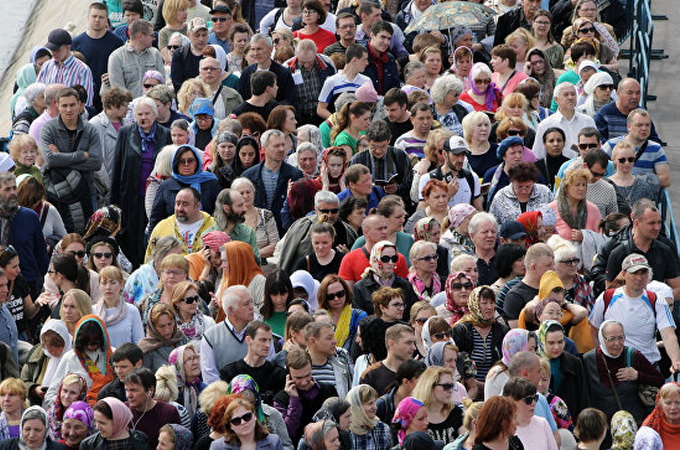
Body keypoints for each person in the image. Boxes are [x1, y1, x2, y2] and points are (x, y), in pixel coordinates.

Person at [591, 253, 680, 372]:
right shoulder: (606, 298)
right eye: (634, 273)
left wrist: (675, 361)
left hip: (647, 366)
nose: (639, 278)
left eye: (643, 273)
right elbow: (593, 331)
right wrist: (602, 361)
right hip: (615, 367)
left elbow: (668, 334)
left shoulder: (657, 300)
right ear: (623, 274)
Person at [40, 87, 102, 234]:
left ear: (80, 105)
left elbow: (96, 163)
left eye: (72, 105)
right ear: (57, 105)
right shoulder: (48, 129)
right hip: (57, 192)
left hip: (86, 189)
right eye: (64, 105)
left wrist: (60, 156)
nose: (69, 109)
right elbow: (50, 160)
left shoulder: (90, 130)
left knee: (89, 234)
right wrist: (81, 155)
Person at [583, 320, 664, 426]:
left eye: (620, 338)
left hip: (634, 423)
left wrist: (637, 375)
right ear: (602, 339)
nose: (617, 343)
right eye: (611, 339)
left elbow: (660, 380)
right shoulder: (588, 360)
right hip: (603, 426)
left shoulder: (633, 355)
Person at [273, 348, 338, 443]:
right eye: (298, 378)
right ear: (289, 375)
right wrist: (294, 400)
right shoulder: (281, 399)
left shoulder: (328, 390)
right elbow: (287, 434)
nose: (303, 382)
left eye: (307, 375)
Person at [453, 286, 509, 390]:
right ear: (475, 304)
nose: (489, 307)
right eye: (484, 303)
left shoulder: (501, 330)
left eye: (492, 302)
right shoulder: (461, 330)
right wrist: (472, 383)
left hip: (495, 386)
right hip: (467, 387)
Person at [219, 320, 286, 405]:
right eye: (263, 340)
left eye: (270, 340)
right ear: (249, 340)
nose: (268, 345)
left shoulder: (279, 375)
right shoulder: (229, 373)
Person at [602, 109, 670, 189]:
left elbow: (665, 180)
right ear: (628, 126)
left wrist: (632, 182)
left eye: (647, 125)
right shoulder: (611, 145)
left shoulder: (656, 149)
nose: (644, 128)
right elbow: (596, 171)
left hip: (644, 197)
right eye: (639, 125)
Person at [145, 187, 218, 261]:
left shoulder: (214, 226)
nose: (180, 208)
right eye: (177, 203)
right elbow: (150, 260)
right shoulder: (162, 227)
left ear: (197, 206)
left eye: (185, 204)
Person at [536, 320, 589, 420]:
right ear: (542, 341)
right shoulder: (533, 363)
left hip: (570, 421)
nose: (557, 347)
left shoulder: (574, 362)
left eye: (560, 342)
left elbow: (582, 397)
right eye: (551, 343)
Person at [352, 241, 418, 317]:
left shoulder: (405, 284)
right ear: (375, 259)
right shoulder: (360, 287)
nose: (390, 262)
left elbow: (413, 313)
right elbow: (359, 318)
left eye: (394, 258)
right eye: (385, 258)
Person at [37, 29, 94, 108]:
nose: (54, 53)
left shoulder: (82, 70)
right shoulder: (47, 66)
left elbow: (86, 102)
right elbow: (39, 93)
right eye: (51, 50)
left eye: (57, 50)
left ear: (68, 47)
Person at [107, 20, 164, 99]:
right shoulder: (116, 57)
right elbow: (119, 92)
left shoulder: (155, 54)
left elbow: (162, 85)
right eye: (151, 35)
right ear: (140, 36)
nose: (154, 38)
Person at [595, 78, 662, 144]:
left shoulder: (642, 114)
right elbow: (599, 142)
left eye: (638, 93)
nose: (634, 96)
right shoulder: (605, 114)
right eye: (630, 93)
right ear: (618, 93)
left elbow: (654, 141)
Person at [503, 243, 555, 327]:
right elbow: (516, 335)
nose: (553, 268)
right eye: (548, 265)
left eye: (553, 263)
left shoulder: (554, 288)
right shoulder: (515, 296)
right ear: (533, 267)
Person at [238, 34, 297, 104]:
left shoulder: (283, 73)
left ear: (270, 49)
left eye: (259, 49)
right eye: (253, 49)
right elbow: (242, 99)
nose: (256, 53)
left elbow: (290, 101)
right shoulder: (246, 73)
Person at [94, 266, 143, 348]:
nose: (108, 287)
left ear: (121, 285)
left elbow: (139, 341)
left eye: (113, 283)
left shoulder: (132, 310)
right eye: (104, 283)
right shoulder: (92, 311)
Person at [411, 366, 464, 442]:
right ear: (430, 386)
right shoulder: (415, 414)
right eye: (446, 386)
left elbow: (466, 443)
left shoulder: (456, 412)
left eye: (452, 386)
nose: (451, 390)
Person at [503, 377, 557, 450]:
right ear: (512, 401)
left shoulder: (542, 423)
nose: (534, 403)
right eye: (528, 400)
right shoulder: (503, 429)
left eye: (535, 398)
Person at [79, 397, 147, 450]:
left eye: (102, 423)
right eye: (95, 421)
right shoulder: (88, 445)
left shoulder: (141, 439)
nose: (97, 427)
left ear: (118, 421)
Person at [608, 141, 660, 208]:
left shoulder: (643, 186)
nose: (627, 163)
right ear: (614, 159)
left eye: (630, 159)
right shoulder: (606, 185)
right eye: (622, 160)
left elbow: (650, 212)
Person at [212, 189, 260, 262]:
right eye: (240, 205)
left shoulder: (248, 233)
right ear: (226, 208)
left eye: (243, 204)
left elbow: (256, 265)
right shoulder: (209, 236)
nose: (245, 208)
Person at [346, 384, 394, 449]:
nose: (375, 407)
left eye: (375, 402)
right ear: (357, 406)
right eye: (370, 403)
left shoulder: (383, 429)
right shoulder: (347, 431)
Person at [170, 281, 216, 346]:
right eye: (189, 300)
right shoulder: (170, 325)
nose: (194, 302)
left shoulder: (208, 322)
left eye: (196, 298)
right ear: (177, 302)